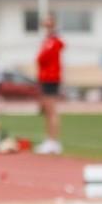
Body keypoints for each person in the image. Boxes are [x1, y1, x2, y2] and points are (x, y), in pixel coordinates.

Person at [34, 13, 65, 154]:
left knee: (52, 110)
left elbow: (44, 57)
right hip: (45, 78)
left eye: (48, 21)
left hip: (52, 78)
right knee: (47, 111)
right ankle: (49, 140)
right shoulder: (46, 40)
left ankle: (54, 141)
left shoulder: (55, 41)